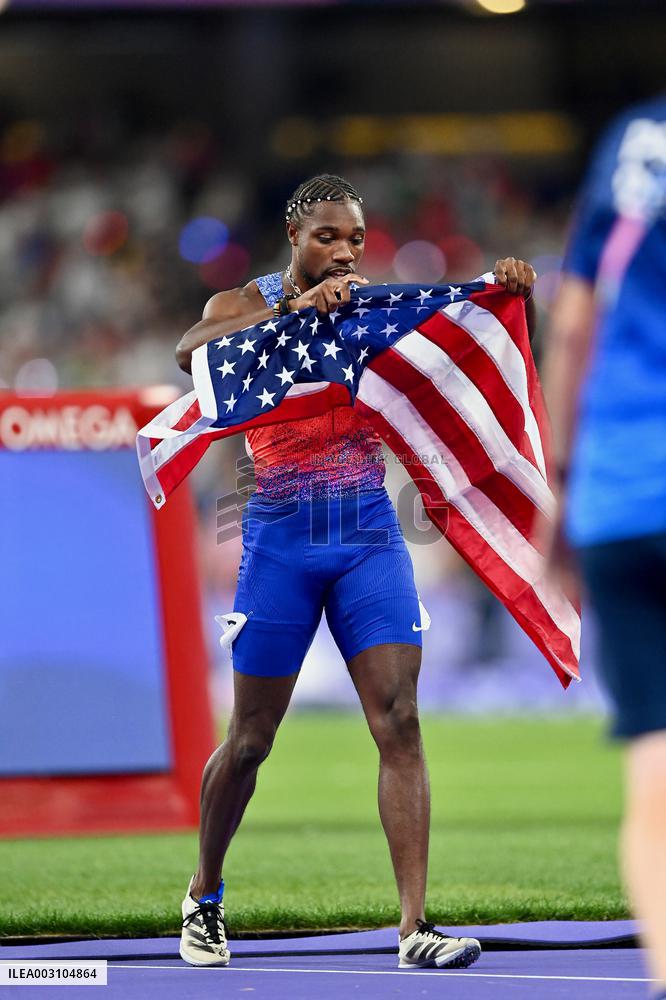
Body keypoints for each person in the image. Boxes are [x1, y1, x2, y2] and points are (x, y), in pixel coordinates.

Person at [174, 173, 537, 970]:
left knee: (399, 721)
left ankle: (413, 930)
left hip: (370, 533)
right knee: (251, 740)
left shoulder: (375, 310)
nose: (344, 251)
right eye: (327, 237)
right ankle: (204, 897)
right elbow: (189, 355)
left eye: (355, 239)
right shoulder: (242, 302)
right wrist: (294, 311)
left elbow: (475, 343)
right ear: (294, 234)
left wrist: (512, 294)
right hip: (278, 539)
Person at [541, 98, 666, 994]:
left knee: (653, 755)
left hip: (622, 490)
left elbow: (576, 323)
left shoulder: (633, 140)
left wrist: (558, 478)